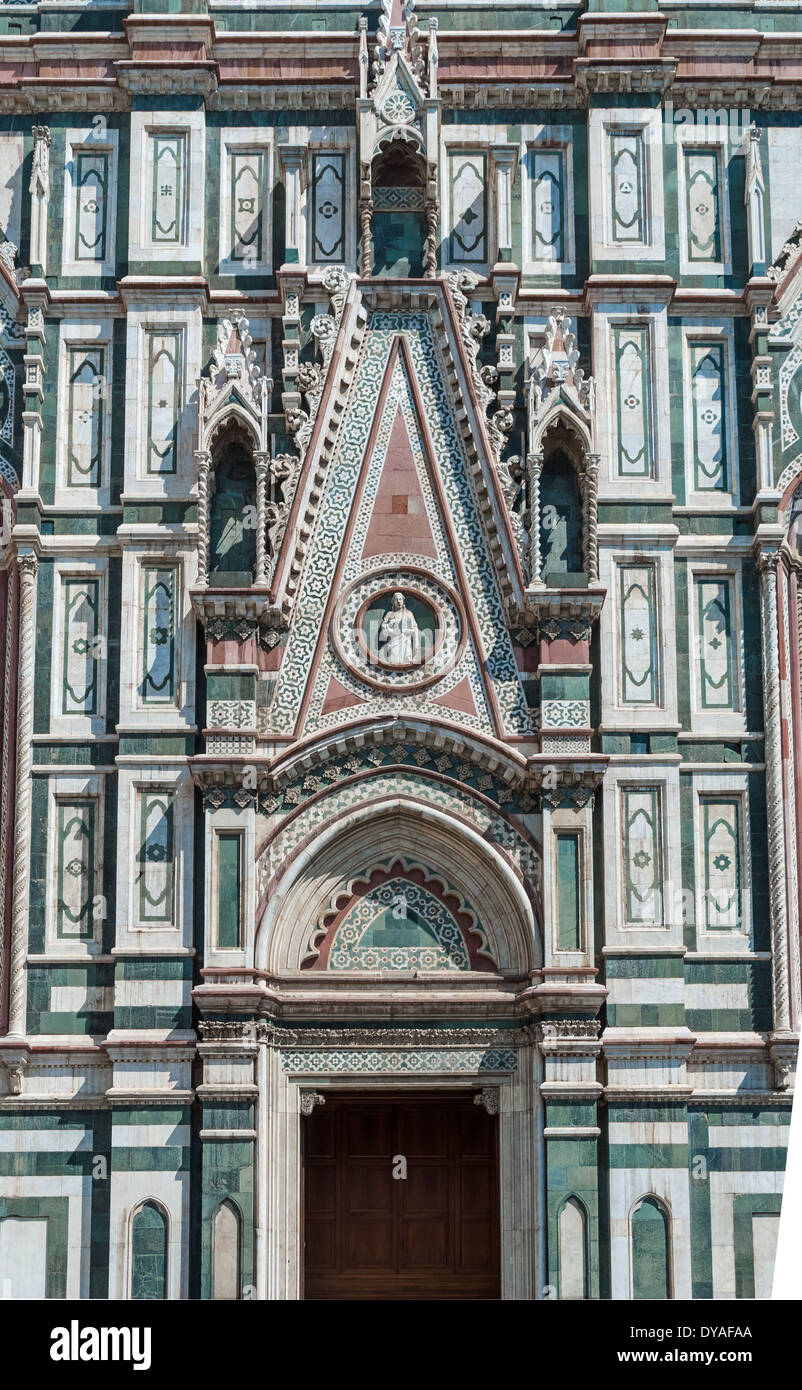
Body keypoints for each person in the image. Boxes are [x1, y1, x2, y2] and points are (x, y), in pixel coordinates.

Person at [377, 591, 420, 665]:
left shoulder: (408, 614)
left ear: (403, 601)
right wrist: (391, 631)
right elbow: (383, 626)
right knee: (393, 659)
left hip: (406, 641)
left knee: (406, 660)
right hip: (393, 641)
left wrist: (407, 631)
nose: (398, 601)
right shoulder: (390, 614)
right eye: (396, 600)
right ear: (393, 602)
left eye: (400, 599)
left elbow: (415, 628)